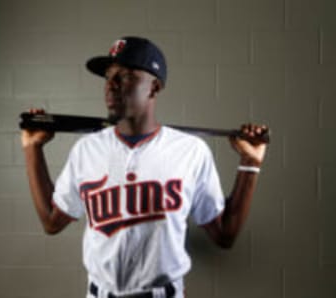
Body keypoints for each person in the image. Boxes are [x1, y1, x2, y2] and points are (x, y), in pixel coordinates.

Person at [21, 36, 268, 298]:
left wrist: (250, 163)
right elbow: (52, 221)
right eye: (108, 77)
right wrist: (32, 148)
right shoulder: (87, 149)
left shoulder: (190, 151)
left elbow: (224, 235)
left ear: (154, 87)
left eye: (125, 76)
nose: (111, 86)